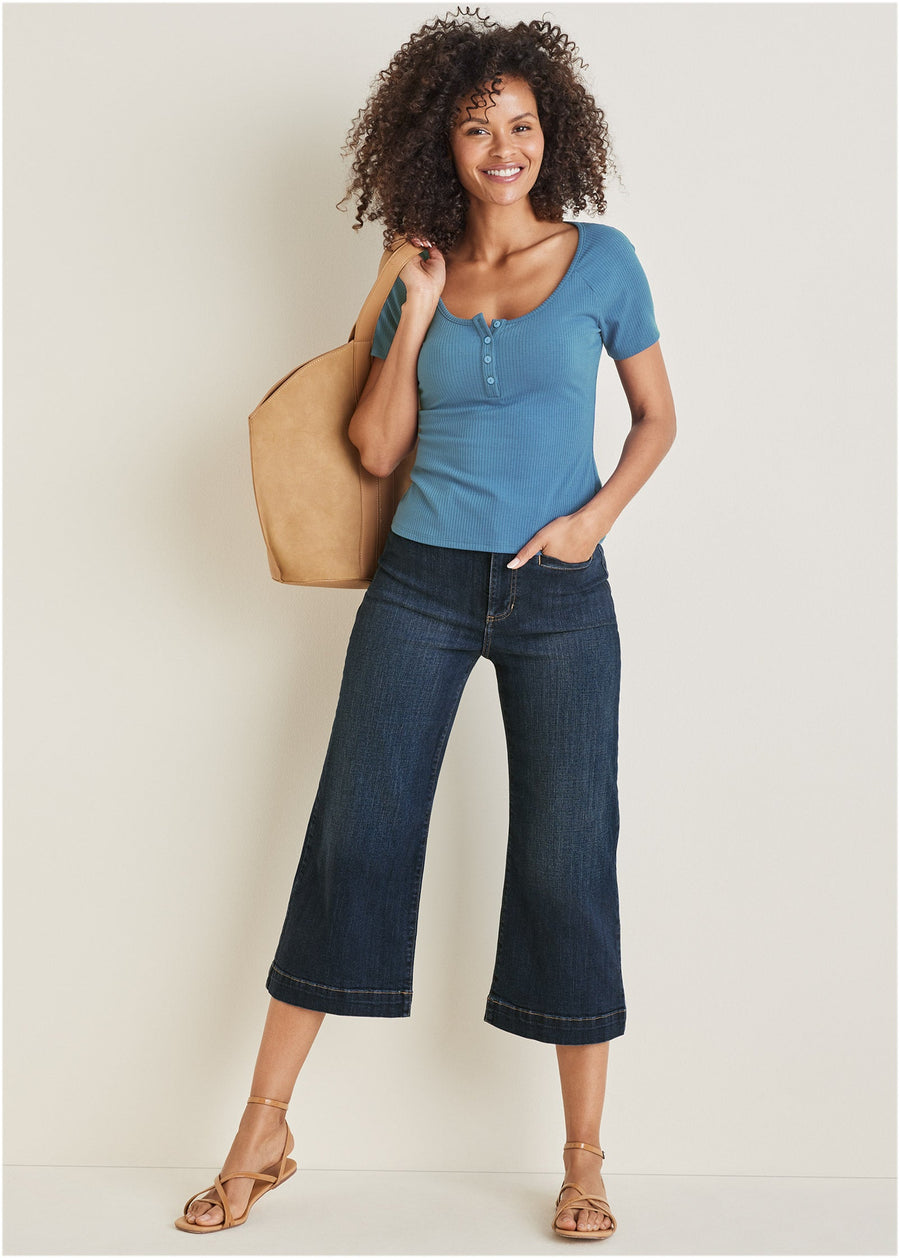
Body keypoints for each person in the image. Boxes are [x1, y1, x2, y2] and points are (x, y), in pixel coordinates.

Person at [175, 8, 676, 1241]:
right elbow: (373, 445)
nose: (503, 147)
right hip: (419, 587)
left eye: (520, 124)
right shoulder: (419, 267)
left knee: (567, 859)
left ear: (552, 132)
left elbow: (658, 419)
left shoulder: (603, 261)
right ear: (440, 143)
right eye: (475, 127)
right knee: (354, 836)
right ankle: (261, 1130)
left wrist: (593, 520)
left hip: (559, 598)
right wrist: (411, 303)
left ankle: (585, 1159)